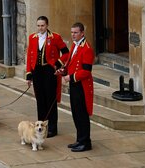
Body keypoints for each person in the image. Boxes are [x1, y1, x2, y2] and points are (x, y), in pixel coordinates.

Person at [26, 16, 69, 138]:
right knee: (40, 99)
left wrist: (57, 64)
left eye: (42, 25)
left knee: (50, 99)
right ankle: (41, 126)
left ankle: (52, 128)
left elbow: (66, 53)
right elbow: (29, 57)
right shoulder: (32, 38)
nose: (40, 28)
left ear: (47, 25)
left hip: (50, 71)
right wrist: (29, 75)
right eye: (38, 25)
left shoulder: (55, 37)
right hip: (37, 71)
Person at [56, 22, 95, 152]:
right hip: (75, 85)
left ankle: (85, 142)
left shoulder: (87, 48)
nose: (73, 35)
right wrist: (63, 71)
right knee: (76, 113)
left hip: (82, 86)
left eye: (76, 32)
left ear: (82, 33)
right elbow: (70, 64)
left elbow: (86, 71)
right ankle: (79, 140)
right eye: (72, 32)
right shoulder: (74, 45)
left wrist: (69, 77)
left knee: (82, 114)